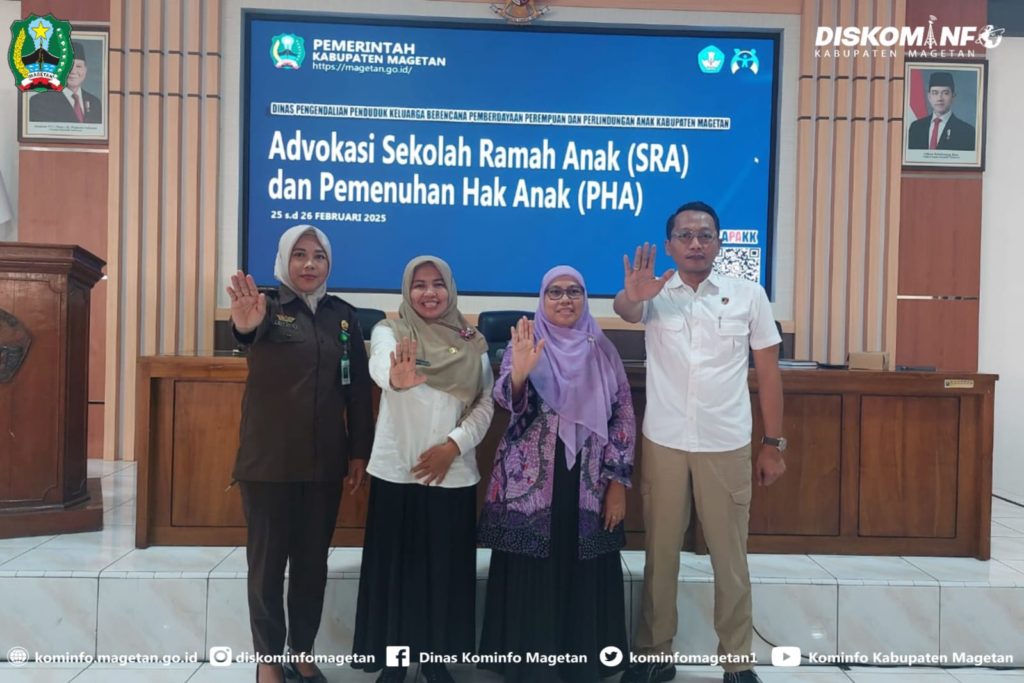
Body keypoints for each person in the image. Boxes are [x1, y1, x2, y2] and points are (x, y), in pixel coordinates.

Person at [613, 202, 785, 683]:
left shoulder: (748, 295)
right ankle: (654, 655)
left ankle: (737, 661)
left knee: (730, 558)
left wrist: (773, 443)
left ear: (718, 243)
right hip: (665, 441)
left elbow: (769, 374)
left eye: (705, 235)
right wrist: (631, 295)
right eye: (685, 236)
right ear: (669, 245)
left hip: (725, 442)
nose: (695, 243)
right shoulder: (655, 293)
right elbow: (627, 310)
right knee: (660, 553)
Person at [227, 225, 373, 683]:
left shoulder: (344, 317)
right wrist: (245, 326)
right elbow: (246, 334)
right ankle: (268, 660)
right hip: (268, 463)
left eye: (318, 256)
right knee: (267, 567)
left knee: (312, 566)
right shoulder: (265, 307)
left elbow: (356, 392)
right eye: (299, 255)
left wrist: (358, 453)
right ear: (284, 261)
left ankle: (302, 651)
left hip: (324, 465)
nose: (309, 264)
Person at [478, 265, 635, 683]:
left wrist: (618, 484)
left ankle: (582, 664)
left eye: (574, 291)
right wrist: (518, 374)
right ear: (542, 299)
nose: (565, 299)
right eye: (555, 292)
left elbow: (623, 417)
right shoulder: (527, 343)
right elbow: (506, 402)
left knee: (584, 566)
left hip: (590, 483)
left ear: (584, 299)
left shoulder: (603, 350)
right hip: (530, 489)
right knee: (532, 569)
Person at [352, 256, 494, 683]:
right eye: (419, 285)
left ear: (451, 288)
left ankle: (435, 661)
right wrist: (396, 379)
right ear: (406, 291)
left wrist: (454, 445)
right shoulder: (391, 331)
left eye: (437, 284)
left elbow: (485, 402)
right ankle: (394, 664)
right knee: (395, 573)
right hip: (398, 471)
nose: (429, 293)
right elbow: (381, 367)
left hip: (452, 473)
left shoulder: (473, 341)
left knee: (444, 574)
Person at [29, 41, 102, 124]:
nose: (73, 71)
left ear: (85, 70)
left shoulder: (95, 103)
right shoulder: (40, 102)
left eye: (78, 66)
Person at [907, 71, 976, 151]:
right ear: (929, 97)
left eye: (945, 93)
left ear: (953, 96)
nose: (939, 98)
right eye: (935, 93)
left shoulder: (967, 132)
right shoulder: (916, 128)